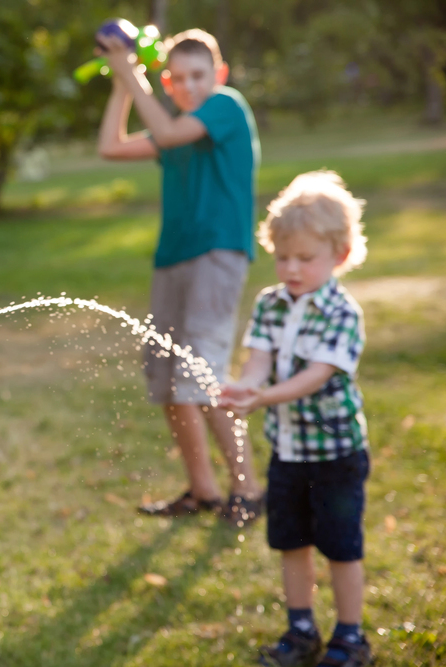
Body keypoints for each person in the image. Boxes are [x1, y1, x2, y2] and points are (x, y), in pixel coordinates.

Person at [95, 27, 263, 524]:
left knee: (202, 373)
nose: (190, 86)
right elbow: (110, 146)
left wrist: (128, 69)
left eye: (199, 75)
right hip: (173, 258)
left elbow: (168, 133)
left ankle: (249, 490)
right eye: (179, 78)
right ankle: (203, 491)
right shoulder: (177, 129)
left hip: (218, 256)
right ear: (167, 84)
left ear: (219, 75)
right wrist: (124, 83)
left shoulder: (226, 108)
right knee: (169, 379)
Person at [219, 171, 372, 667]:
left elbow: (318, 375)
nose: (291, 268)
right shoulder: (269, 304)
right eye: (283, 257)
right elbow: (259, 360)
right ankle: (301, 629)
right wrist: (246, 384)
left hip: (336, 455)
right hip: (288, 453)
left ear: (340, 256)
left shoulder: (341, 312)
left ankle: (350, 637)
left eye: (305, 259)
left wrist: (263, 398)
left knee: (341, 546)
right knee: (292, 541)